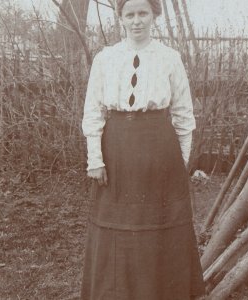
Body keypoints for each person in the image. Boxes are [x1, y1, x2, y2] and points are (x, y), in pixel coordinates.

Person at [81, 0, 205, 299]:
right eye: (130, 14)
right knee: (117, 221)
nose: (137, 21)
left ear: (154, 16)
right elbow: (93, 113)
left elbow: (184, 115)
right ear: (120, 18)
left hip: (160, 151)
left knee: (160, 222)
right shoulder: (106, 58)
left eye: (143, 13)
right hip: (117, 148)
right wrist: (95, 158)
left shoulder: (170, 58)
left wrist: (181, 160)